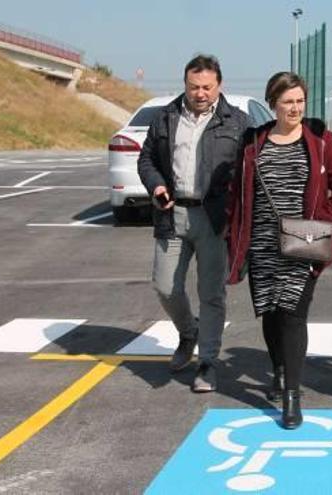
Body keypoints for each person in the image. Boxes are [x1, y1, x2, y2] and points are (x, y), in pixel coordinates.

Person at [226, 72, 332, 429]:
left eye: (300, 100)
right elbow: (238, 192)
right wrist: (232, 233)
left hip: (304, 242)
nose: (295, 108)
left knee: (294, 315)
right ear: (273, 104)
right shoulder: (254, 142)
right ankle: (279, 369)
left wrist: (322, 222)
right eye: (287, 102)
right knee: (271, 311)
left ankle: (292, 397)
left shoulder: (320, 140)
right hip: (263, 242)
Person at [137, 54, 250, 393]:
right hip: (172, 214)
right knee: (165, 286)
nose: (200, 93)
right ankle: (189, 332)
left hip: (215, 219)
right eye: (193, 87)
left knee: (211, 294)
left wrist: (239, 216)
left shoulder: (238, 123)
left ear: (219, 85)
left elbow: (248, 171)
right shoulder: (166, 117)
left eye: (206, 87)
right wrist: (156, 184)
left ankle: (208, 362)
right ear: (185, 84)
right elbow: (146, 159)